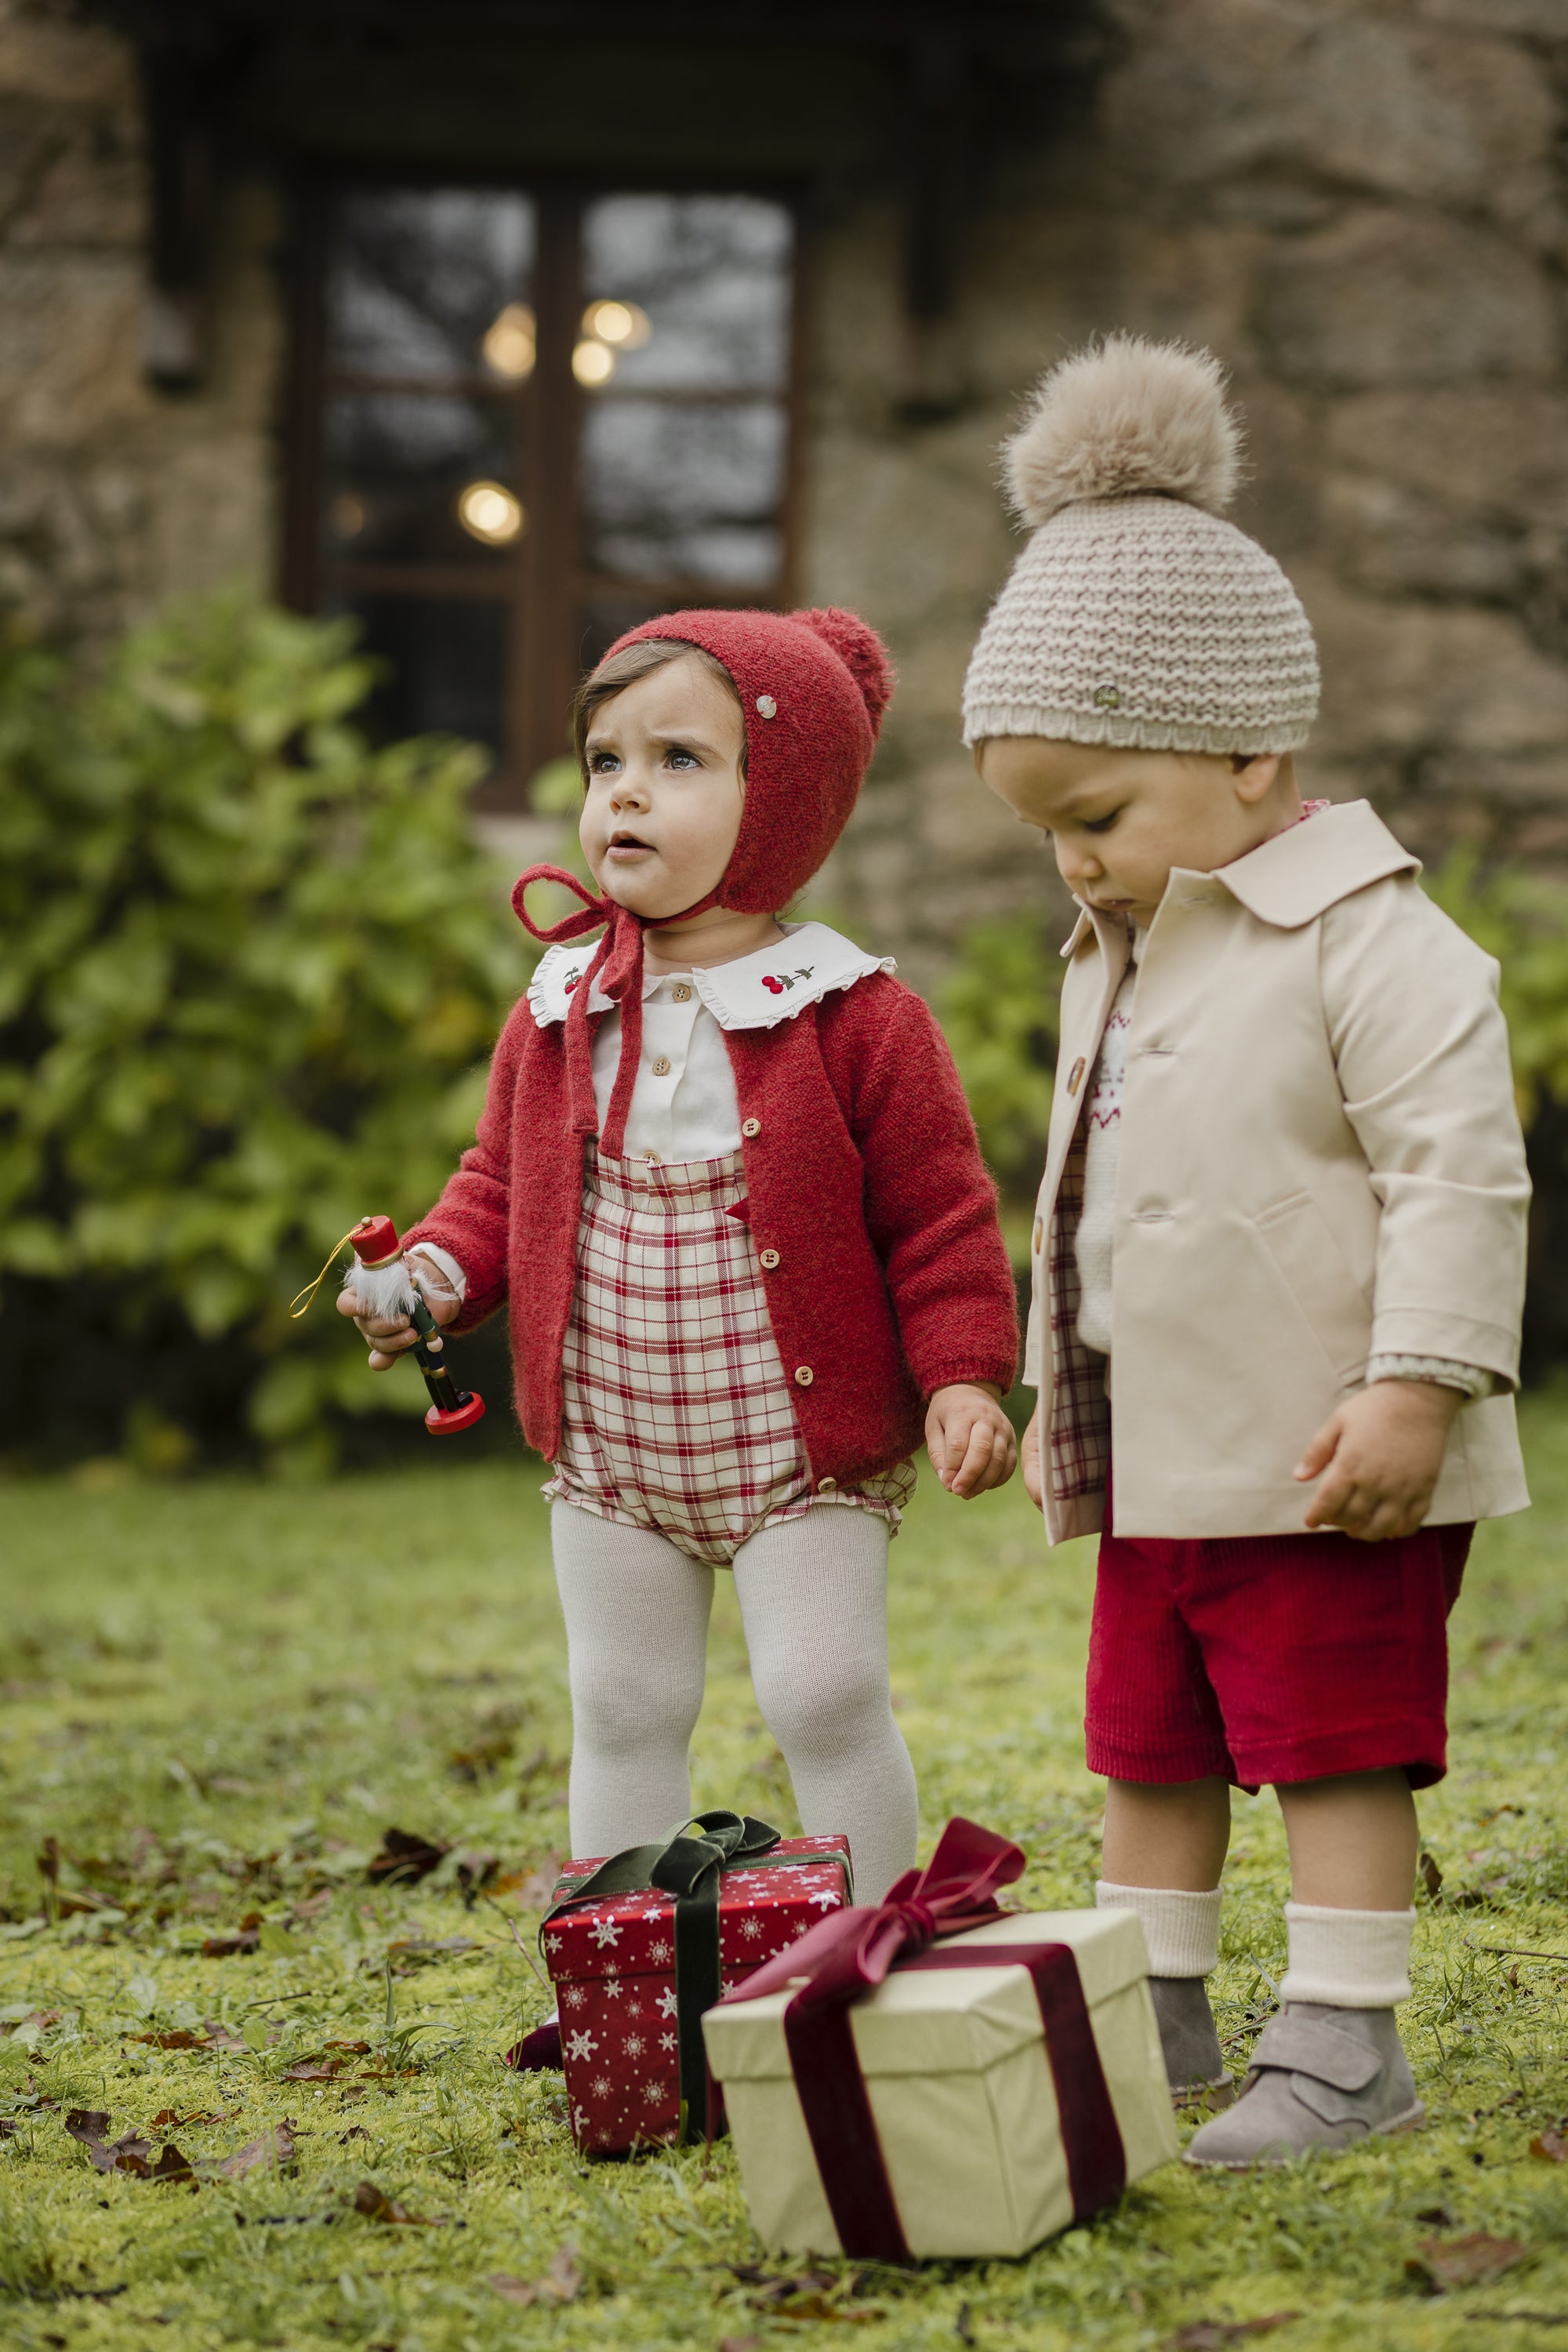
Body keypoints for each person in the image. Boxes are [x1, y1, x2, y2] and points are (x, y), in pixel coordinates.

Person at [963, 335, 1530, 2165]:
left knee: (1335, 1742)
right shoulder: (1118, 949)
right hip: (1162, 1455)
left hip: (1319, 1457)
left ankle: (1350, 2038)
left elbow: (1461, 1172)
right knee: (1151, 1744)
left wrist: (1414, 1383)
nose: (1072, 863)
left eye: (1098, 816)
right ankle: (1160, 2002)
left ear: (1252, 754)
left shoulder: (1370, 941)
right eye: (1043, 828)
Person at [343, 606, 1019, 1904]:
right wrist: (429, 1278)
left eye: (679, 760)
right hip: (614, 1448)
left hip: (795, 1445)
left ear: (786, 801)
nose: (626, 795)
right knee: (621, 1702)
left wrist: (963, 1375)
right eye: (607, 762)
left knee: (822, 1694)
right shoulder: (559, 1007)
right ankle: (631, 1978)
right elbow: (496, 1186)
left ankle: (876, 1949)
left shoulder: (855, 1015)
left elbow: (938, 1216)